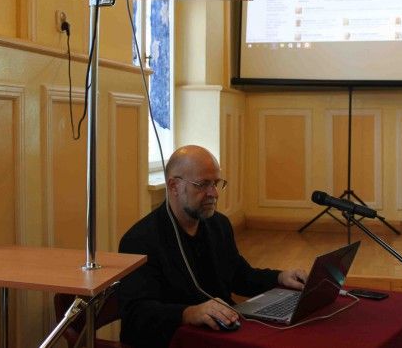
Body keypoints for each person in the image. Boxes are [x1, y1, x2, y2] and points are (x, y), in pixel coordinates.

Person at [118, 145, 307, 348]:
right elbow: (136, 315)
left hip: (222, 332)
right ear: (173, 186)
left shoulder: (218, 224)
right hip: (176, 339)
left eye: (216, 183)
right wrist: (188, 313)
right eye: (202, 184)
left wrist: (280, 277)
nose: (214, 193)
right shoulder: (140, 240)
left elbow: (239, 275)